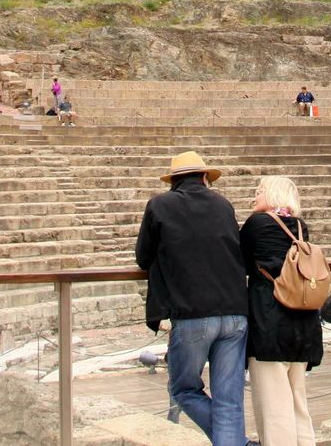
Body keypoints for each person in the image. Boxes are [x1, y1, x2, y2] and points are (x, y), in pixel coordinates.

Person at [136, 151, 249, 445]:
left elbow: (142, 256)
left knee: (184, 389)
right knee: (229, 401)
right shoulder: (223, 205)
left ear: (173, 181)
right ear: (203, 177)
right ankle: (233, 438)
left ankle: (231, 439)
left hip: (192, 313)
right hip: (236, 312)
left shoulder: (159, 205)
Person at [242, 176, 323, 446]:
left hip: (268, 321)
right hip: (302, 322)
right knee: (298, 402)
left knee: (274, 406)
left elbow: (240, 261)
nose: (255, 195)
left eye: (260, 191)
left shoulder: (257, 224)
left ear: (274, 194)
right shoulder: (301, 228)